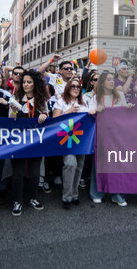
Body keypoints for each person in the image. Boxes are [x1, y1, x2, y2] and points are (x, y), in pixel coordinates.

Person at [90, 71, 134, 207]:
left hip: (117, 136)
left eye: (113, 79)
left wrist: (128, 108)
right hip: (102, 135)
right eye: (108, 79)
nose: (112, 81)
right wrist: (96, 110)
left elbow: (125, 115)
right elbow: (90, 113)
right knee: (99, 164)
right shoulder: (96, 97)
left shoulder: (120, 95)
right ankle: (97, 193)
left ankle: (118, 194)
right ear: (102, 82)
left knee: (117, 165)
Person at [8, 70, 48, 216]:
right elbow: (10, 120)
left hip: (35, 141)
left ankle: (33, 197)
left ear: (35, 84)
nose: (25, 84)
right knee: (17, 173)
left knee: (35, 173)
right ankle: (17, 201)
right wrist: (13, 111)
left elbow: (47, 116)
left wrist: (44, 115)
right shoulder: (16, 98)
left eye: (29, 82)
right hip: (18, 141)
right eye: (24, 82)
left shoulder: (41, 99)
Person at [52, 78, 95, 209]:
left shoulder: (83, 103)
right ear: (68, 88)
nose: (76, 88)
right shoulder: (60, 102)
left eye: (78, 86)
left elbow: (86, 121)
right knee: (70, 164)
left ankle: (74, 194)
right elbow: (54, 121)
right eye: (73, 86)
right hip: (66, 139)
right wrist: (67, 112)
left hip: (80, 140)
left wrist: (90, 113)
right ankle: (66, 197)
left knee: (79, 166)